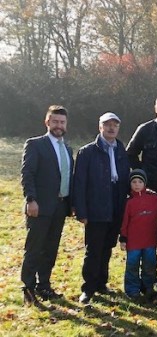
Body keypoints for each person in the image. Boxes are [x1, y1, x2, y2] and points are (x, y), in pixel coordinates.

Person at [73, 112, 130, 305]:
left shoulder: (122, 150)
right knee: (94, 249)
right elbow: (79, 183)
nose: (111, 128)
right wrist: (81, 211)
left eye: (115, 125)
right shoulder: (87, 152)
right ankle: (88, 289)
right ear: (100, 127)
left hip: (116, 205)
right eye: (107, 125)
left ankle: (101, 283)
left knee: (107, 247)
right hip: (96, 205)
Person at [20, 105, 73, 305]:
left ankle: (44, 286)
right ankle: (28, 289)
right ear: (47, 122)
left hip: (60, 207)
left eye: (62, 122)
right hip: (39, 206)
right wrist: (30, 200)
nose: (59, 125)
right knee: (34, 248)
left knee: (50, 249)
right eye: (55, 121)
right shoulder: (35, 144)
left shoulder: (67, 148)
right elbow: (27, 173)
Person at [119, 169, 157, 300]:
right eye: (134, 182)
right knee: (132, 266)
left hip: (150, 240)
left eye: (140, 181)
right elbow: (124, 222)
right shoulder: (129, 202)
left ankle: (148, 287)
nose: (137, 184)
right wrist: (123, 238)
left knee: (150, 264)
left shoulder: (154, 199)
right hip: (133, 242)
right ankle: (132, 290)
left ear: (145, 183)